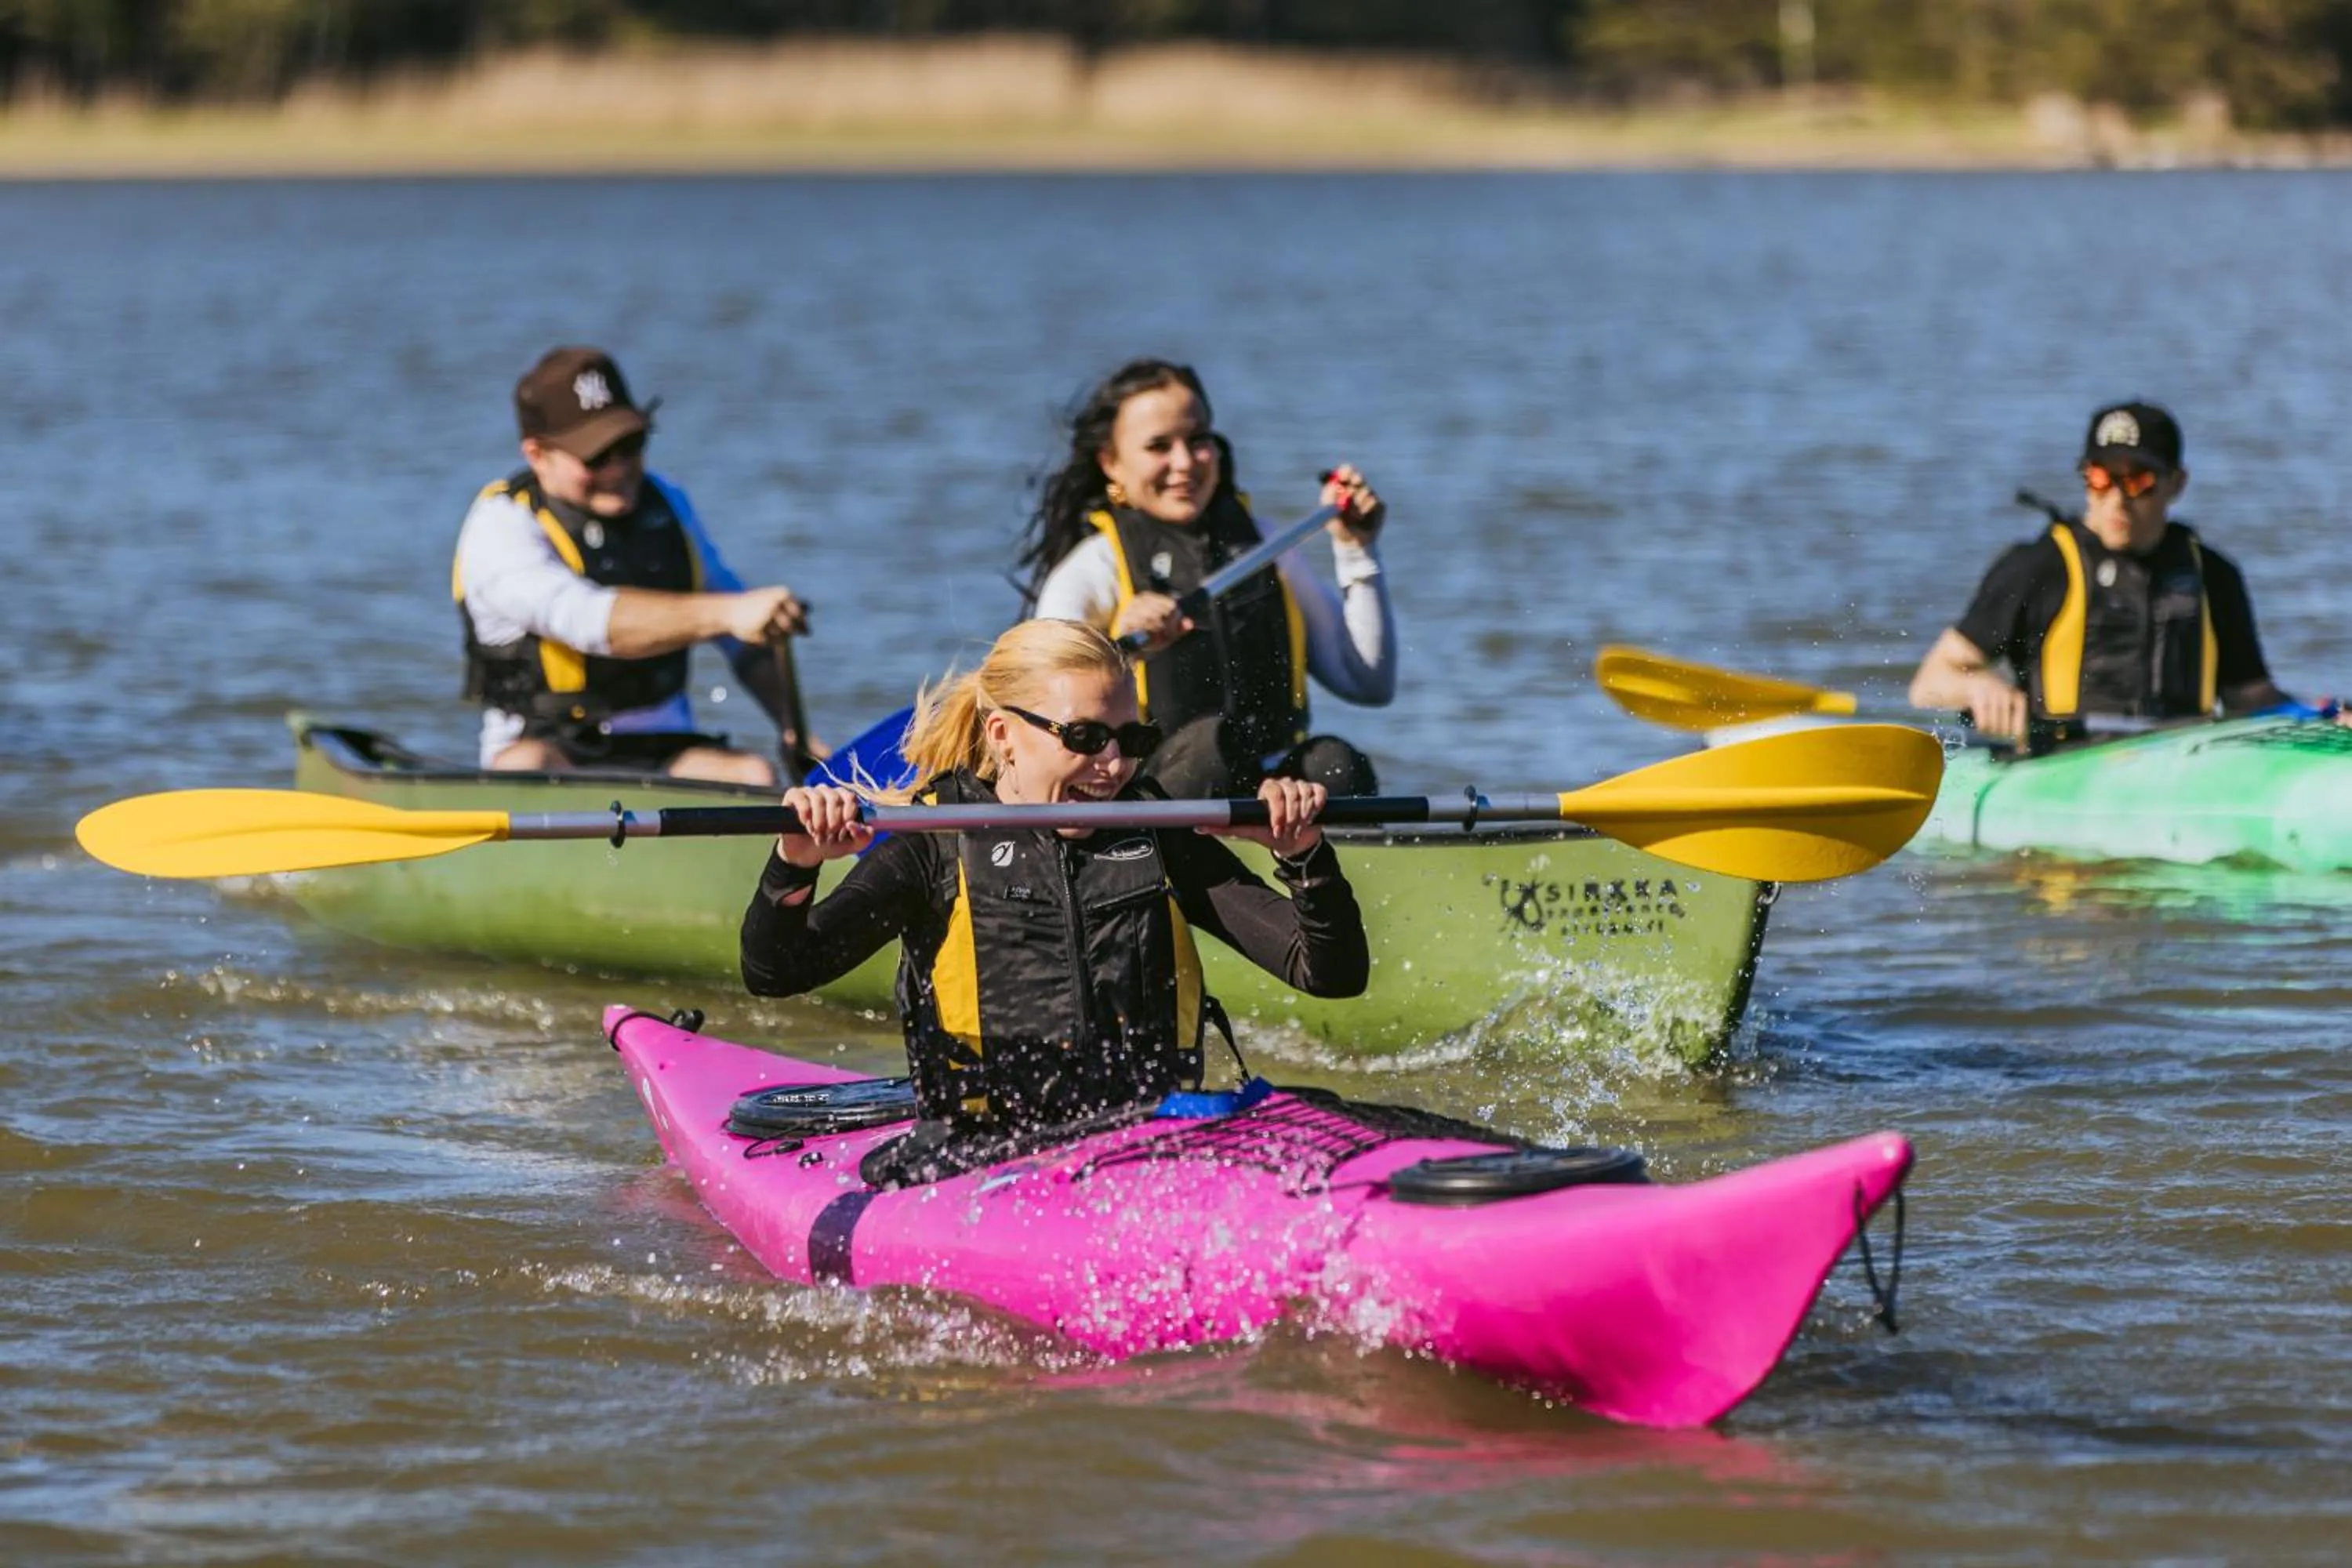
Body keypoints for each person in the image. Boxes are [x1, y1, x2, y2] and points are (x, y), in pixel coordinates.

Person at [740, 619, 1369, 1185]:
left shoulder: (1160, 831)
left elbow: (1329, 974)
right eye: (1086, 736)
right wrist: (795, 863)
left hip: (1154, 1148)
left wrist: (1302, 854)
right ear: (1004, 735)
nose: (1114, 764)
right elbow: (778, 971)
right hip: (981, 1160)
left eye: (1131, 737)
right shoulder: (934, 842)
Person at [1018, 358, 1396, 798]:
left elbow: (1368, 682)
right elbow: (1040, 724)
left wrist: (1357, 550)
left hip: (1275, 799)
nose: (1184, 463)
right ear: (1111, 463)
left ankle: (1317, 861)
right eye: (1159, 446)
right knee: (1211, 749)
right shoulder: (1090, 572)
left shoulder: (1266, 545)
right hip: (1158, 799)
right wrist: (1120, 650)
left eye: (1197, 440)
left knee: (1335, 765)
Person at [452, 346, 815, 784]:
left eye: (630, 444)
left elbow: (744, 641)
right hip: (548, 747)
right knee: (525, 768)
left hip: (664, 748)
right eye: (596, 456)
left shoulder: (667, 502)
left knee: (753, 775)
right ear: (537, 454)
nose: (618, 468)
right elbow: (590, 620)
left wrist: (797, 734)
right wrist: (728, 612)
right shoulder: (502, 526)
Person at [1909, 401, 2325, 741]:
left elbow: (2251, 698)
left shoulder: (2214, 576)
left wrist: (2321, 718)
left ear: (2176, 484)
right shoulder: (2038, 566)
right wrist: (1977, 686)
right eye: (2101, 478)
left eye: (2137, 481)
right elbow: (1930, 682)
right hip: (2062, 761)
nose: (2116, 501)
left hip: (2183, 763)